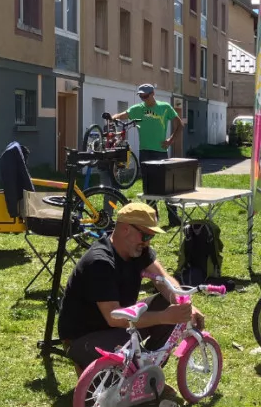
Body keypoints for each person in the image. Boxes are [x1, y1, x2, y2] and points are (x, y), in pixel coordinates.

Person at [58, 203, 204, 371]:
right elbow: (114, 318)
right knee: (125, 368)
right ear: (126, 229)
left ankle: (149, 374)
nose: (148, 243)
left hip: (120, 326)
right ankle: (133, 373)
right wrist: (165, 316)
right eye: (146, 236)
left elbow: (163, 280)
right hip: (84, 336)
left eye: (151, 237)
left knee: (168, 303)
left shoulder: (138, 250)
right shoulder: (100, 262)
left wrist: (184, 304)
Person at [112, 83, 184, 227]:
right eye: (141, 96)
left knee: (166, 186)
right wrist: (112, 118)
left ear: (153, 94)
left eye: (145, 96)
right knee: (148, 186)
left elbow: (179, 124)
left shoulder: (165, 108)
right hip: (145, 152)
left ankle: (173, 217)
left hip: (161, 152)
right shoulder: (138, 109)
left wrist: (171, 140)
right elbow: (121, 116)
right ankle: (152, 218)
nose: (143, 99)